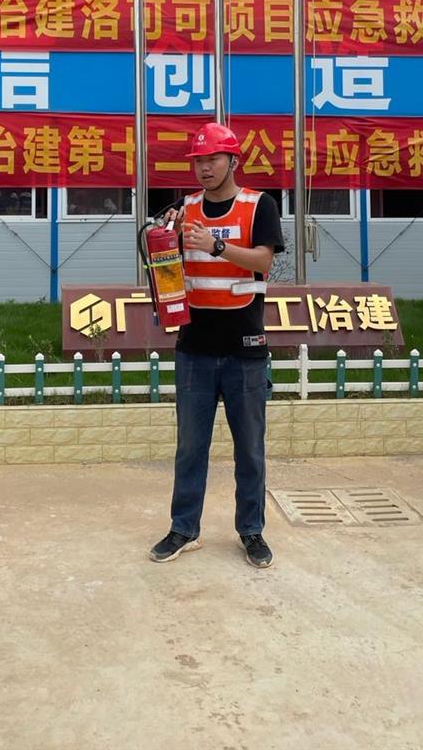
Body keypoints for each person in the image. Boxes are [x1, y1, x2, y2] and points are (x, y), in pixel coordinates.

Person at [149, 122, 284, 569]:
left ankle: (252, 531)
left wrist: (216, 245)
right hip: (194, 347)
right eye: (199, 161)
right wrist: (164, 237)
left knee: (250, 449)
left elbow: (263, 259)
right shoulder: (184, 209)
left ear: (232, 161)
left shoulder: (259, 205)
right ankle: (183, 528)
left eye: (213, 159)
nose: (204, 168)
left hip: (245, 347)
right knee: (190, 447)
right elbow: (163, 261)